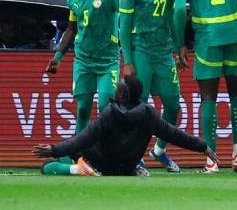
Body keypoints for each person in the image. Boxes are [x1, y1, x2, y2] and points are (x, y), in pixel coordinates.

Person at [33, 74, 216, 176]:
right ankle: (78, 165)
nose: (116, 84)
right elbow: (175, 135)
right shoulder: (148, 114)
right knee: (67, 154)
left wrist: (54, 150)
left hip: (100, 163)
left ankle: (78, 169)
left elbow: (83, 139)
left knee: (48, 165)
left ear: (121, 95)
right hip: (127, 168)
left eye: (118, 84)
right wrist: (203, 146)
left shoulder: (110, 112)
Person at [173, 0, 237, 173]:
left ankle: (212, 161)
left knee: (209, 97)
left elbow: (179, 9)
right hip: (235, 37)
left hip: (207, 39)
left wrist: (180, 44)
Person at [119, 0, 182, 173]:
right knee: (140, 108)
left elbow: (174, 20)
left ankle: (159, 150)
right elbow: (124, 28)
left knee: (173, 105)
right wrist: (127, 60)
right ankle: (135, 156)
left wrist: (178, 47)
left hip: (164, 53)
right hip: (141, 51)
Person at [45, 0, 120, 134]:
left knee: (106, 106)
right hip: (83, 61)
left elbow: (125, 18)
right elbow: (72, 28)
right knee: (82, 109)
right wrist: (57, 56)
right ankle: (79, 156)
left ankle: (106, 152)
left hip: (107, 61)